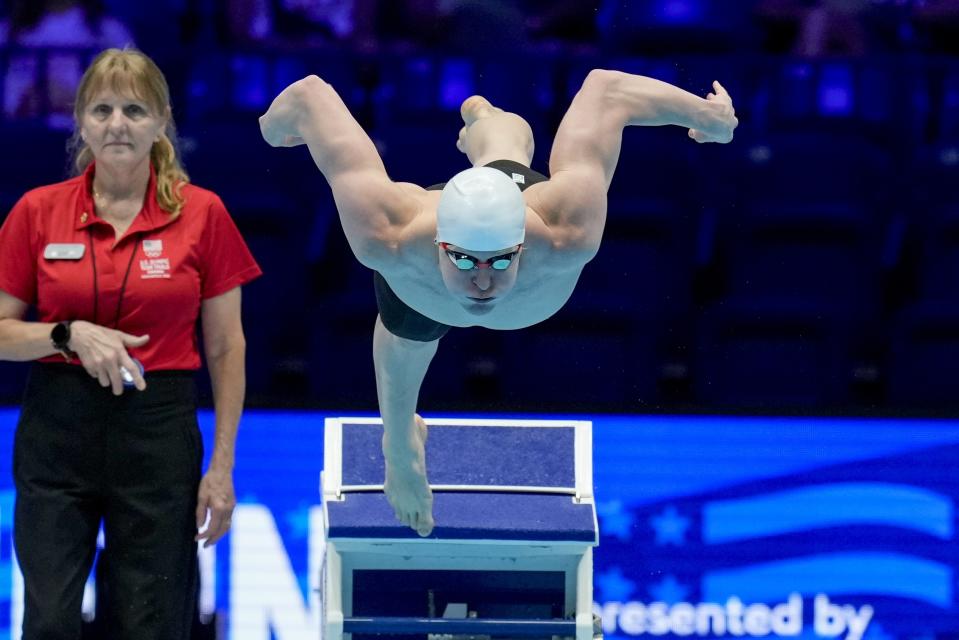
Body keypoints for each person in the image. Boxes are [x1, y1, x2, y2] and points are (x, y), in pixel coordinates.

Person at [259, 68, 737, 537]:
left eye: (500, 262)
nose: (483, 283)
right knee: (406, 334)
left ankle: (486, 121)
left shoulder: (568, 227)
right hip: (424, 273)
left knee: (508, 154)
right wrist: (271, 127)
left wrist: (707, 116)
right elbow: (309, 97)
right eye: (465, 262)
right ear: (442, 245)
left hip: (511, 206)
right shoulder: (390, 235)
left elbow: (607, 91)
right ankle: (400, 446)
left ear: (523, 246)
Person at [0, 48, 261, 637]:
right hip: (57, 430)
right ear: (82, 121)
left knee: (152, 620)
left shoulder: (204, 214)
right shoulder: (36, 212)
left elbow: (226, 349)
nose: (118, 124)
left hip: (157, 432)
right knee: (50, 616)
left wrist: (221, 469)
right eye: (103, 109)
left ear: (162, 121)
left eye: (135, 110)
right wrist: (66, 335)